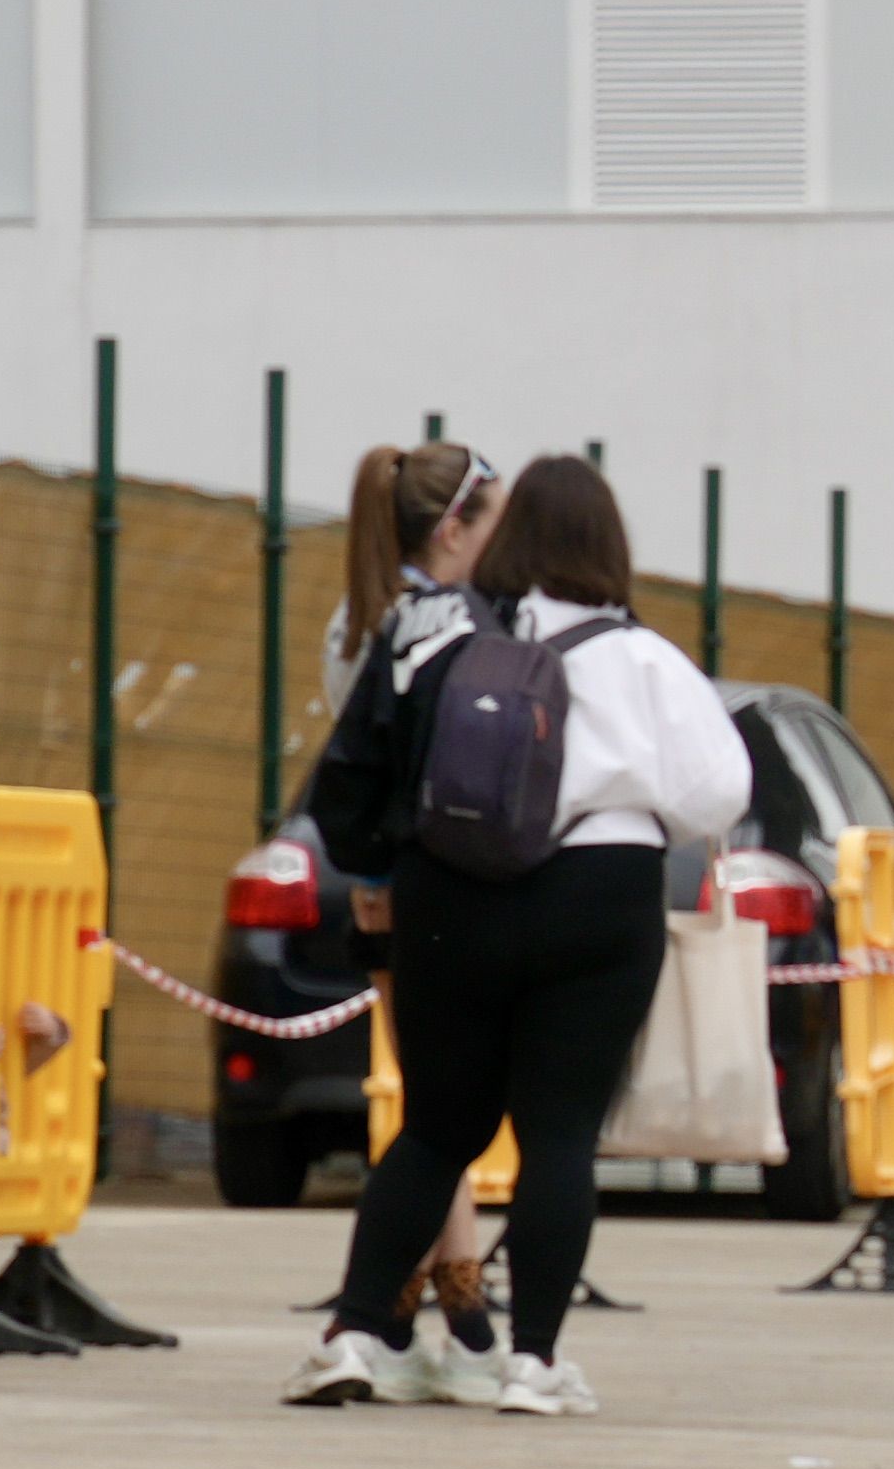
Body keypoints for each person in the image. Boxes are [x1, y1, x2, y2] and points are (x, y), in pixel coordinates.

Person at [287, 455, 747, 1419]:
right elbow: (718, 792)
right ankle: (533, 1363)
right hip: (601, 892)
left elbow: (356, 773)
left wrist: (380, 877)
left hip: (454, 894)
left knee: (439, 1128)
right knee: (559, 1137)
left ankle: (357, 1330)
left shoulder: (442, 634)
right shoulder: (644, 657)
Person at [316, 442, 508, 1393]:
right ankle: (442, 1300)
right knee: (446, 1100)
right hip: (434, 879)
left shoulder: (356, 624)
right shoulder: (440, 627)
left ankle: (437, 1290)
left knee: (438, 1094)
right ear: (453, 528)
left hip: (383, 889)